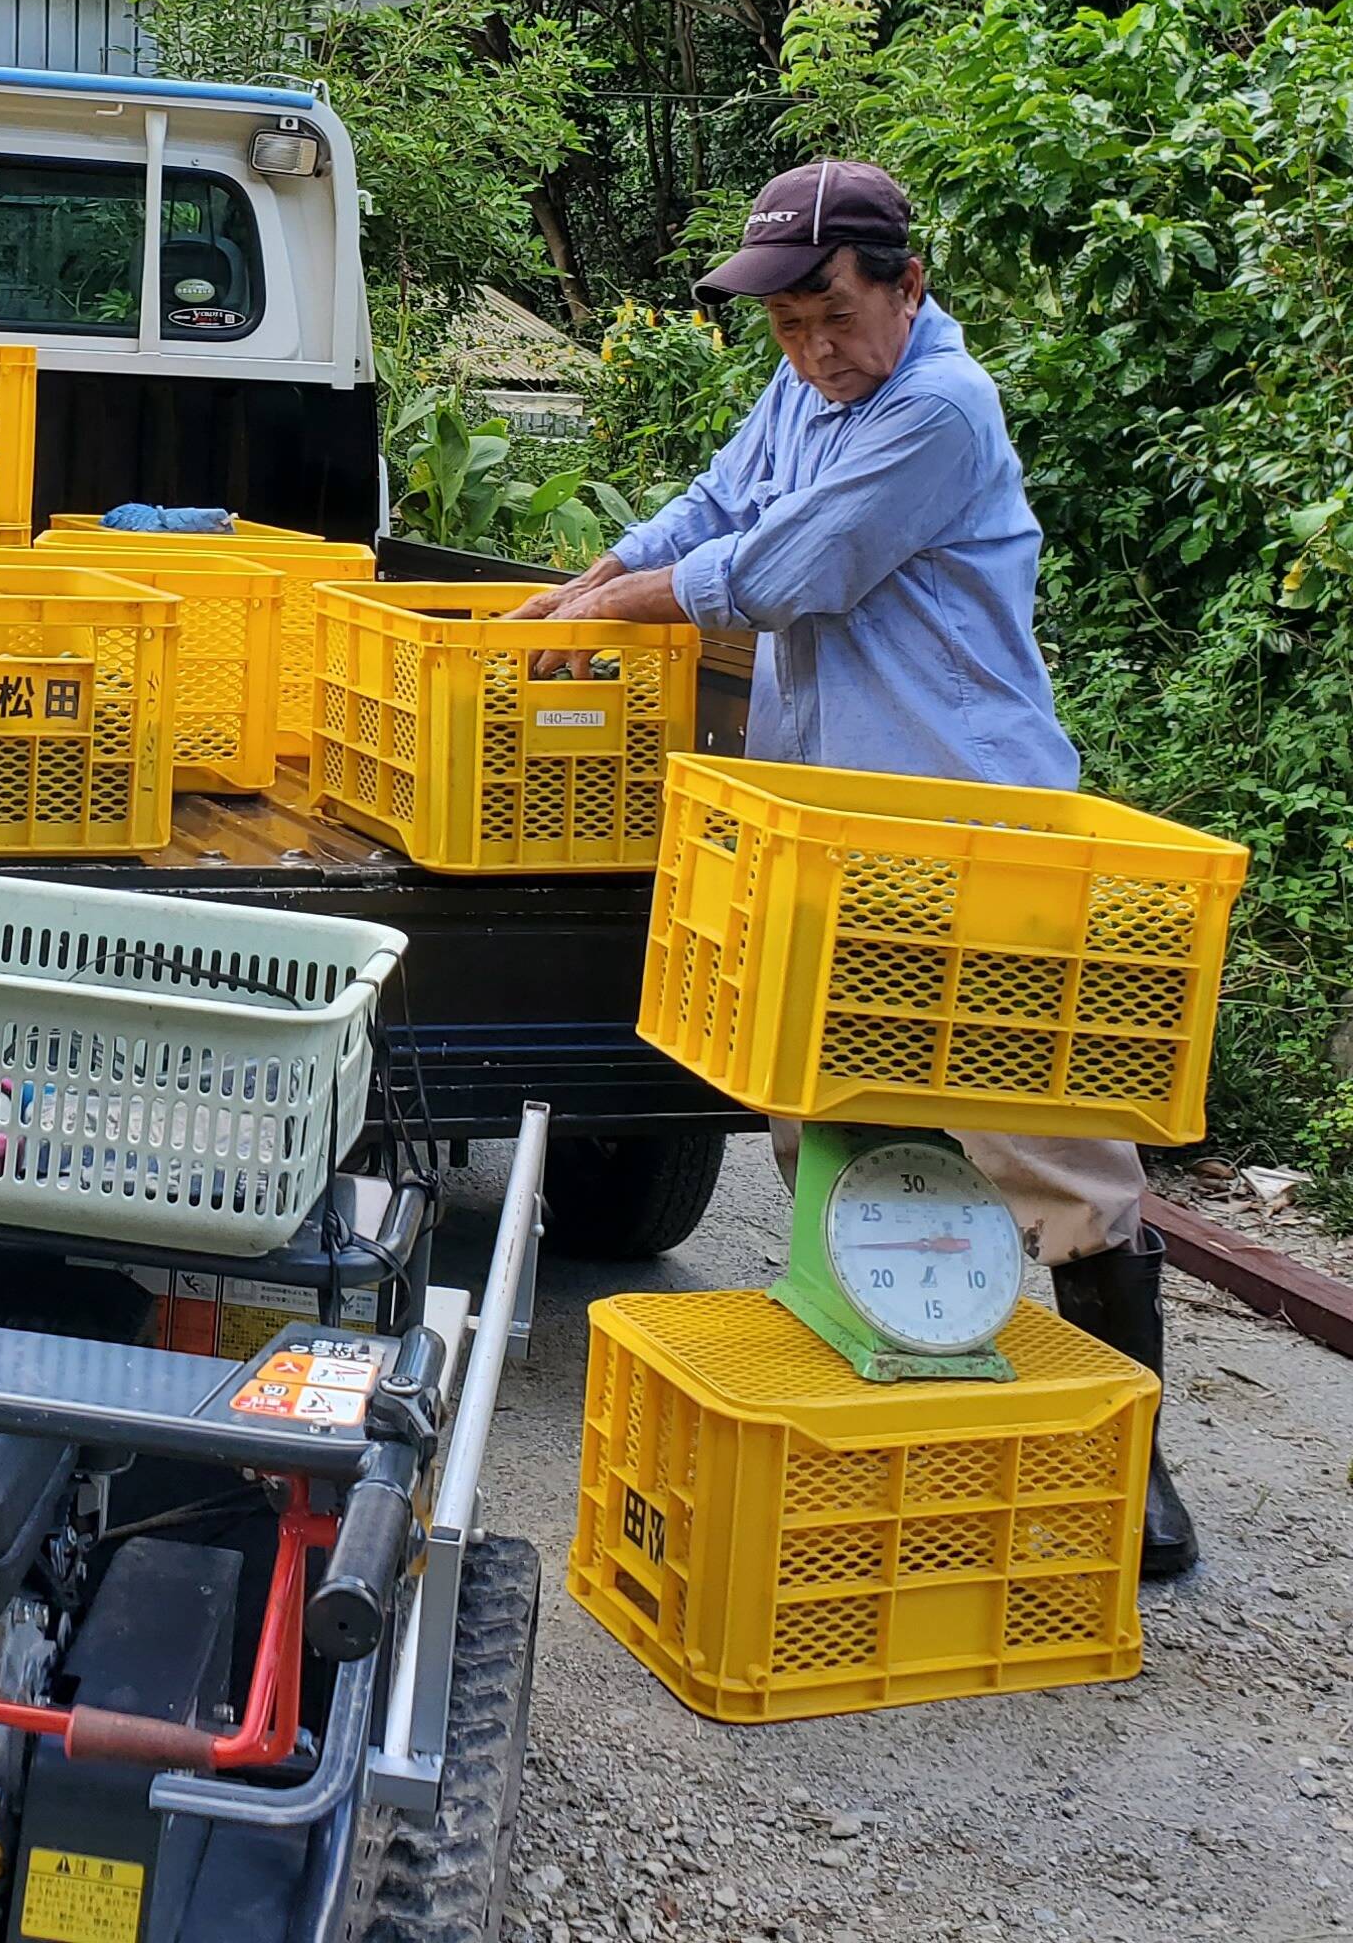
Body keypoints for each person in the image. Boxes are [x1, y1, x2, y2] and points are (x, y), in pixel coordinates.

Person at [513, 159, 1199, 1577]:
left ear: (908, 285)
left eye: (833, 313)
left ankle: (1135, 1465)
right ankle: (907, 1428)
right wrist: (570, 590)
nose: (813, 349)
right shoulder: (808, 392)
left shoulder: (939, 410)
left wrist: (615, 601)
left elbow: (780, 573)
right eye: (787, 326)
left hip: (971, 822)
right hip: (830, 829)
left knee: (1044, 1133)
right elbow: (713, 510)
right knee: (827, 1115)